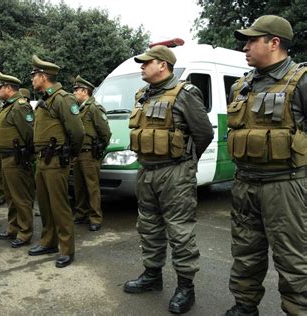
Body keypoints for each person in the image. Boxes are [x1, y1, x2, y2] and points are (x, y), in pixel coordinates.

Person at [224, 15, 307, 316]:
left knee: (294, 258)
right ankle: (245, 306)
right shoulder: (241, 86)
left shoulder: (301, 80)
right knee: (245, 251)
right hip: (245, 183)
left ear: (274, 43)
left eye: (251, 40)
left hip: (285, 185)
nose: (245, 46)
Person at [123, 45, 213, 314]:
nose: (141, 66)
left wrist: (186, 163)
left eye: (146, 62)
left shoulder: (185, 93)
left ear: (163, 65)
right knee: (148, 226)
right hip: (147, 170)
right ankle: (152, 276)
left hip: (175, 172)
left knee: (180, 231)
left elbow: (204, 133)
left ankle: (186, 287)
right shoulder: (142, 95)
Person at [28, 55, 84, 268]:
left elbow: (77, 132)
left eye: (34, 75)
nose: (32, 79)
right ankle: (48, 242)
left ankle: (66, 249)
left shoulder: (62, 99)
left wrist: (70, 154)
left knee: (59, 206)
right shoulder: (45, 100)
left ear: (43, 77)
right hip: (42, 161)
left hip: (56, 161)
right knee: (44, 204)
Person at [0, 71, 35, 248]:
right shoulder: (8, 106)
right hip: (6, 157)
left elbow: (29, 133)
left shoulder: (19, 106)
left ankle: (25, 232)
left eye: (1, 87)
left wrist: (27, 156)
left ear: (9, 88)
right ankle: (13, 227)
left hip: (16, 158)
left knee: (20, 197)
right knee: (11, 196)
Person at [72, 75, 111, 231]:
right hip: (78, 154)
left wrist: (100, 148)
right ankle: (81, 213)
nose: (74, 93)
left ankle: (95, 217)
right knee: (78, 186)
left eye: (76, 90)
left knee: (92, 187)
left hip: (89, 154)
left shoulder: (94, 108)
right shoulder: (79, 109)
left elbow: (105, 133)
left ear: (84, 91)